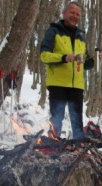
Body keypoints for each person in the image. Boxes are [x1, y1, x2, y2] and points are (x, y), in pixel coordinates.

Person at [40, 2, 94, 139]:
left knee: (77, 122)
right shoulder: (54, 31)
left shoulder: (81, 36)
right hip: (58, 84)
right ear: (64, 13)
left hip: (77, 86)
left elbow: (85, 64)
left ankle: (79, 148)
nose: (75, 16)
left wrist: (94, 60)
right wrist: (64, 58)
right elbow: (44, 56)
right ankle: (52, 146)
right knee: (56, 120)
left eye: (77, 14)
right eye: (72, 12)